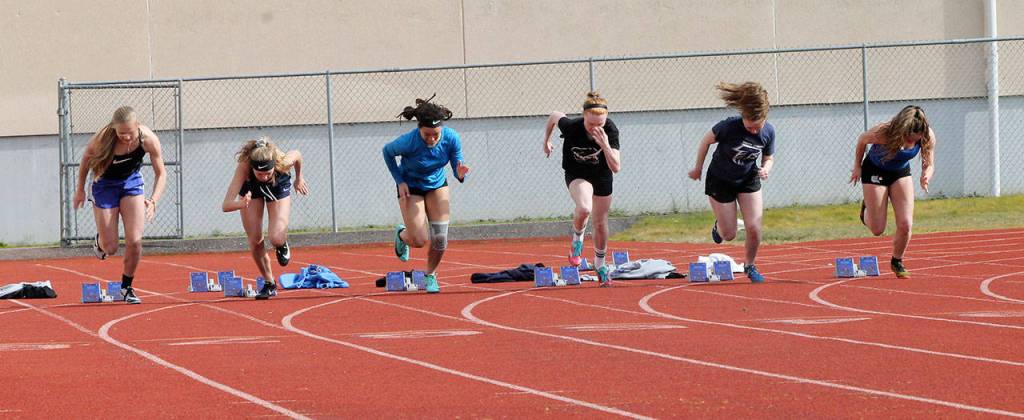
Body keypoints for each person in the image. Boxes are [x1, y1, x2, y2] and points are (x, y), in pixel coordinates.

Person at [72, 106, 167, 304]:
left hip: (131, 183)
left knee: (135, 240)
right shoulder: (104, 138)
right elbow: (86, 161)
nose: (125, 137)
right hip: (104, 185)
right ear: (114, 129)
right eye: (121, 133)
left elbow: (161, 173)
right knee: (111, 247)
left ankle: (126, 287)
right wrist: (80, 189)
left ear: (138, 126)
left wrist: (154, 200)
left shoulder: (148, 139)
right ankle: (101, 241)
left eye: (129, 133)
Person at [687, 82, 775, 283]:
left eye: (757, 127)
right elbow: (705, 141)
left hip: (748, 179)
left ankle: (750, 265)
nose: (754, 131)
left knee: (754, 226)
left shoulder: (768, 132)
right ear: (743, 116)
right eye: (749, 127)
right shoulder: (728, 127)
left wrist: (766, 169)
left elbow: (769, 157)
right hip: (721, 180)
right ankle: (719, 226)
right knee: (729, 234)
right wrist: (698, 168)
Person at [384, 96, 469, 294]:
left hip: (437, 185)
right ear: (419, 130)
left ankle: (430, 275)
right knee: (419, 240)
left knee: (440, 238)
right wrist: (399, 180)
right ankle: (402, 235)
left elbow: (457, 163)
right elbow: (387, 152)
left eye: (435, 134)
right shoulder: (407, 142)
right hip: (411, 186)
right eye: (426, 134)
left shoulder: (451, 138)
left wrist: (460, 173)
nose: (431, 138)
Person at [543, 91, 621, 287]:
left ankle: (600, 264)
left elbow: (616, 167)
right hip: (577, 172)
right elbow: (554, 115)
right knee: (585, 208)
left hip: (602, 174)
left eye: (599, 125)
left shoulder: (610, 130)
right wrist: (547, 140)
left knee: (600, 222)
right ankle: (577, 241)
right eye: (591, 124)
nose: (595, 128)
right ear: (583, 117)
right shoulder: (571, 126)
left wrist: (604, 144)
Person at [850, 105, 935, 278]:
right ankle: (866, 209)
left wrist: (926, 174)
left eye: (914, 140)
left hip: (899, 172)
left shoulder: (927, 135)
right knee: (877, 228)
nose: (911, 143)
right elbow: (862, 140)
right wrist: (857, 167)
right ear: (901, 131)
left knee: (906, 224)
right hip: (875, 170)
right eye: (908, 139)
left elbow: (930, 162)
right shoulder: (883, 132)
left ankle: (897, 260)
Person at [221, 137, 307, 299]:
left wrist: (299, 178)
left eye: (267, 173)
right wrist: (243, 203)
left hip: (278, 186)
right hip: (251, 191)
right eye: (260, 173)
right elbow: (226, 205)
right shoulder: (244, 168)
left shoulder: (281, 162)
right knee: (254, 239)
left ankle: (281, 244)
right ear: (252, 169)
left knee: (275, 237)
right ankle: (269, 282)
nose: (264, 177)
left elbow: (297, 154)